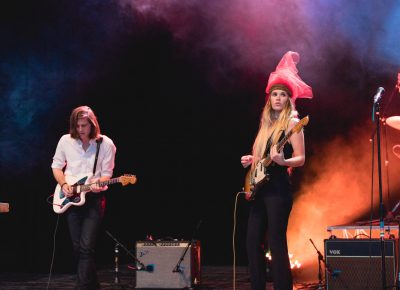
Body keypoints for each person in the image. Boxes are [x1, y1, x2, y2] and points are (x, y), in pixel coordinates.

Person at [241, 51, 313, 290]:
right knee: (252, 242)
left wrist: (283, 162)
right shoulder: (265, 124)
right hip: (261, 189)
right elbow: (264, 159)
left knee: (276, 242)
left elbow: (301, 158)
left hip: (279, 190)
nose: (278, 98)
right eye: (275, 94)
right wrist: (253, 159)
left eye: (283, 95)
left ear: (288, 99)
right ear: (269, 98)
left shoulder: (293, 123)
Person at [51, 105, 116, 290]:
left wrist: (100, 183)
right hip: (70, 199)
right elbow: (56, 166)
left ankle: (80, 287)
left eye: (84, 126)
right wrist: (64, 184)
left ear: (92, 124)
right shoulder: (65, 141)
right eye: (77, 125)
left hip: (94, 200)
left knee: (86, 247)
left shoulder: (106, 144)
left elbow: (106, 174)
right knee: (78, 248)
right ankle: (93, 286)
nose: (80, 130)